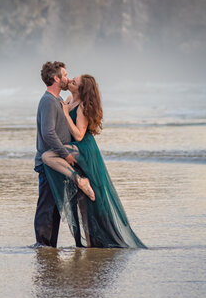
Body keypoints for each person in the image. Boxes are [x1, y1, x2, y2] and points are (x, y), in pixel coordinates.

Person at [42, 74, 146, 248]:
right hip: (76, 150)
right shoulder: (68, 99)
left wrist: (66, 114)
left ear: (81, 89)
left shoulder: (82, 106)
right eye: (71, 79)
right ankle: (89, 245)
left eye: (74, 82)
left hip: (85, 150)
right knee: (83, 202)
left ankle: (80, 180)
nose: (70, 82)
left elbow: (79, 135)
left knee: (47, 156)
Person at [34, 61, 89, 247]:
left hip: (56, 161)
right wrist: (65, 154)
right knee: (47, 205)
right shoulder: (48, 101)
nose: (67, 78)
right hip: (48, 163)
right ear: (56, 78)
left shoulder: (58, 100)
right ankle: (43, 245)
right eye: (65, 75)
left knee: (55, 207)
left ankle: (50, 245)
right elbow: (48, 132)